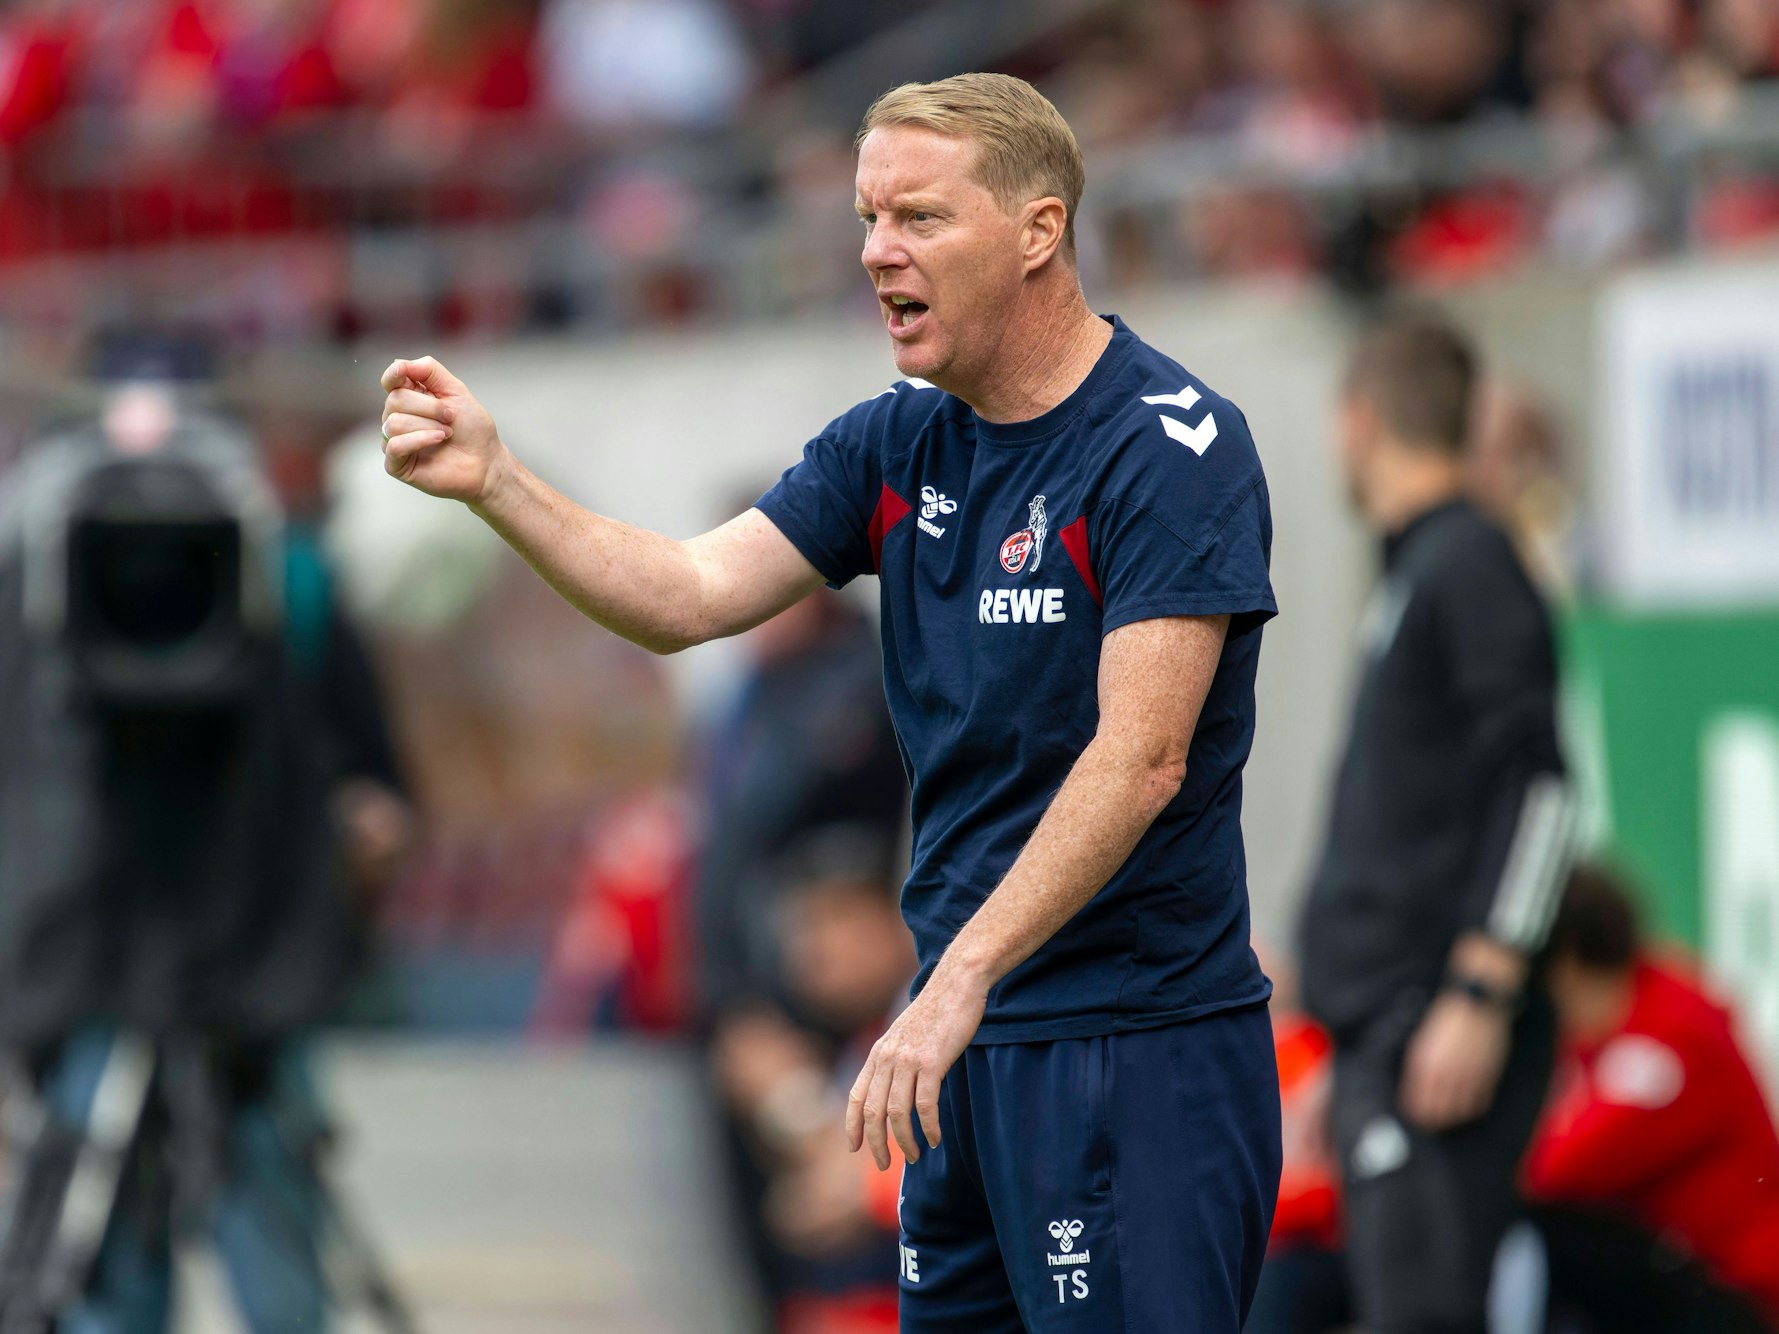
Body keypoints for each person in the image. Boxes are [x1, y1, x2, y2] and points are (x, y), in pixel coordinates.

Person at [378, 70, 1282, 1330]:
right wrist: (498, 480)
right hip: (955, 1045)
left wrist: (957, 978)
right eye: (867, 217)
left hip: (1127, 1044)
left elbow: (1141, 756)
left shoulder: (1169, 446)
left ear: (1039, 231)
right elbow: (691, 591)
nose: (876, 251)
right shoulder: (896, 441)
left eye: (919, 217)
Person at [1296, 312, 1573, 1334]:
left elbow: (1543, 792)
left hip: (1435, 1027)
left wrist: (1479, 991)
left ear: (1360, 423)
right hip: (1390, 1031)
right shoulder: (1419, 569)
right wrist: (1346, 1049)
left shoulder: (1467, 562)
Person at [1524, 864, 1779, 1333]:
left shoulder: (1673, 1037)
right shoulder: (1614, 1025)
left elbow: (1554, 1170)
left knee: (1550, 1227)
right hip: (1691, 1279)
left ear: (1567, 961)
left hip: (1742, 1298)